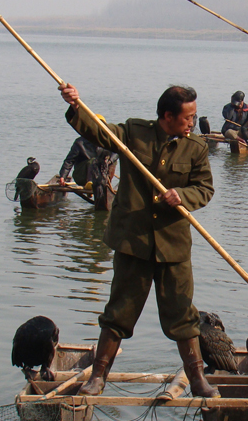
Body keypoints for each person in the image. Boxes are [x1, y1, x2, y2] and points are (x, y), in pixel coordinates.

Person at [58, 82, 219, 398]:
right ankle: (98, 377)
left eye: (194, 116)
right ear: (168, 116)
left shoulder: (196, 147)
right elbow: (100, 132)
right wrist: (76, 105)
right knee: (119, 312)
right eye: (188, 117)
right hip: (133, 241)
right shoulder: (134, 133)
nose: (193, 122)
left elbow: (205, 189)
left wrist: (182, 195)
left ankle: (197, 380)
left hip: (173, 247)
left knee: (182, 313)